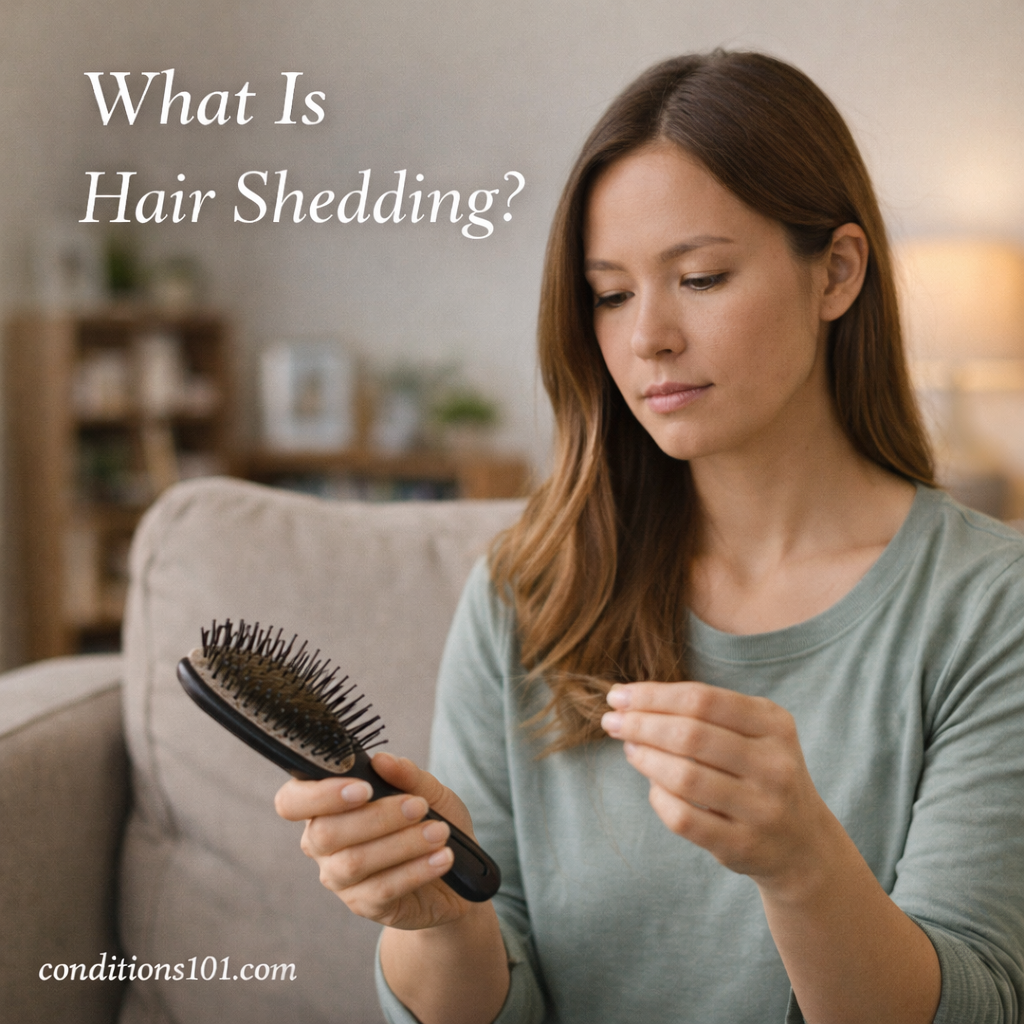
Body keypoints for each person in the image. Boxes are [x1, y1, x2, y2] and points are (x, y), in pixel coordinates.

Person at [275, 51, 1024, 1024]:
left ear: (836, 272)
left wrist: (804, 866)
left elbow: (977, 1007)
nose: (647, 337)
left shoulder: (987, 604)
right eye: (611, 293)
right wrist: (439, 923)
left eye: (700, 276)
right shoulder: (526, 592)